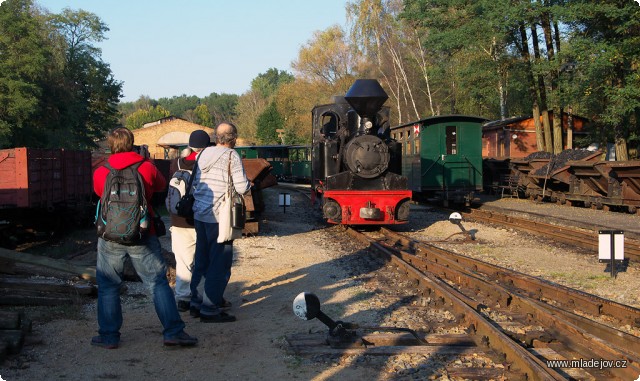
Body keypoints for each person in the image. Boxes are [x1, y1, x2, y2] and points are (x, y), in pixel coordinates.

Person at [91, 127, 197, 348]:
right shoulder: (145, 166)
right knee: (157, 283)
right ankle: (173, 332)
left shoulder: (101, 170)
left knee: (109, 286)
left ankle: (109, 337)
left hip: (110, 235)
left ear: (111, 145)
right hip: (142, 232)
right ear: (132, 143)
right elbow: (159, 187)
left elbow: (99, 193)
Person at [190, 122, 250, 323]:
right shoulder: (231, 156)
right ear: (233, 138)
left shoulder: (201, 155)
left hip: (199, 214)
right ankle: (210, 308)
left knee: (202, 259)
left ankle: (196, 302)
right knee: (220, 263)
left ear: (217, 137)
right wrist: (249, 183)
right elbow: (241, 187)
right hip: (219, 217)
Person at [169, 130, 210, 312]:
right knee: (208, 260)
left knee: (183, 261)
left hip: (178, 219)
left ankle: (183, 298)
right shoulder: (209, 164)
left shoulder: (176, 164)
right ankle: (210, 294)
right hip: (203, 218)